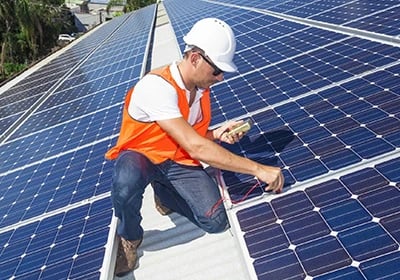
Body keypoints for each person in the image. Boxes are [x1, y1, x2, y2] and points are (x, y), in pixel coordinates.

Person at [105, 17, 284, 277]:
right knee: (125, 183)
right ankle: (130, 237)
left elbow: (192, 136)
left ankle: (164, 193)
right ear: (196, 58)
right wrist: (258, 169)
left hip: (176, 160)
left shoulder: (200, 91)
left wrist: (215, 134)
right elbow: (196, 146)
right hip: (141, 158)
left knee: (216, 222)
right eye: (216, 71)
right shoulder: (157, 87)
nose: (220, 78)